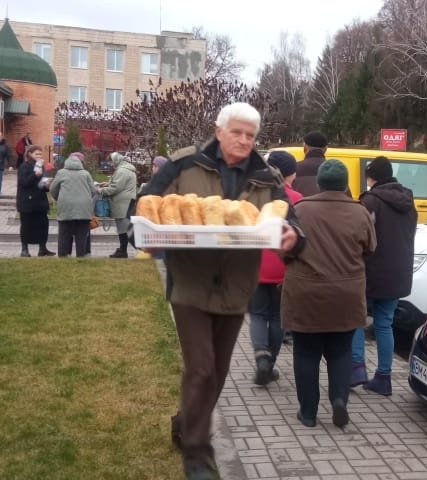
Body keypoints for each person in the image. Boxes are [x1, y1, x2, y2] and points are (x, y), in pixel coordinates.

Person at [139, 102, 305, 480]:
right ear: (219, 131)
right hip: (190, 284)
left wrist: (293, 240)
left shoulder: (267, 175)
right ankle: (197, 455)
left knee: (218, 372)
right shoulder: (183, 163)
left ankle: (185, 422)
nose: (244, 140)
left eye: (251, 135)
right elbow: (146, 202)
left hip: (236, 288)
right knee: (200, 369)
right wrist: (149, 236)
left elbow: (291, 223)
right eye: (237, 132)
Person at [282, 160, 376, 430]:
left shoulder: (299, 210)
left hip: (305, 293)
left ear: (320, 183)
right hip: (346, 294)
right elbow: (370, 249)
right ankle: (339, 401)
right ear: (345, 184)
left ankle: (308, 413)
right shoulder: (361, 213)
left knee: (306, 353)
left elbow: (286, 249)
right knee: (340, 351)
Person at [350, 156, 417, 396]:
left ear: (373, 177)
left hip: (371, 271)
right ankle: (384, 377)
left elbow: (360, 236)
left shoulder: (370, 201)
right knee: (385, 324)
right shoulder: (409, 201)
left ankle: (357, 369)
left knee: (356, 318)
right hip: (398, 272)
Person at [249, 151, 303, 386]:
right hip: (283, 267)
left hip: (255, 265)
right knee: (278, 317)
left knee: (258, 314)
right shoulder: (296, 198)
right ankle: (270, 364)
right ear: (291, 174)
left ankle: (261, 356)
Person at [49, 154, 94, 257]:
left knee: (64, 233)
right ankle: (81, 255)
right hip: (84, 207)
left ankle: (63, 255)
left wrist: (59, 198)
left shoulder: (61, 173)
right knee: (82, 234)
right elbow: (93, 190)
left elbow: (53, 189)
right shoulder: (85, 174)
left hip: (65, 206)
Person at [16, 145, 55, 257]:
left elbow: (40, 184)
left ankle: (42, 248)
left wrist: (46, 185)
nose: (39, 156)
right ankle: (24, 249)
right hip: (27, 202)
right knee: (26, 225)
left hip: (40, 201)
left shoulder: (41, 167)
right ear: (29, 154)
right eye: (37, 154)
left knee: (43, 225)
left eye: (40, 154)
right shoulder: (24, 166)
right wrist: (34, 175)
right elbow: (24, 183)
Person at [97, 152, 137, 258]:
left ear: (116, 160)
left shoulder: (122, 171)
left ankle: (123, 251)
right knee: (123, 228)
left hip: (122, 204)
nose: (110, 163)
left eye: (110, 161)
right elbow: (119, 184)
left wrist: (101, 190)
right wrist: (108, 183)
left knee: (123, 229)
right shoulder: (126, 169)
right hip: (126, 203)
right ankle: (122, 249)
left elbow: (115, 188)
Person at [290, 131, 327, 197]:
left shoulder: (294, 168)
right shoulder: (335, 171)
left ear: (305, 146)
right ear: (326, 148)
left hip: (300, 206)